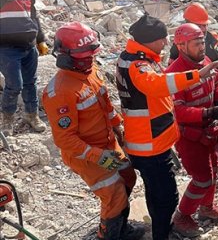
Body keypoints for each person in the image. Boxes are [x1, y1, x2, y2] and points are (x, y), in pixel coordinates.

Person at [116, 15, 218, 240]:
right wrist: (198, 80)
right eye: (162, 39)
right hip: (149, 143)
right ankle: (165, 232)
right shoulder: (139, 64)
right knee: (164, 197)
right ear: (149, 40)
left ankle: (168, 228)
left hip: (158, 138)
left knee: (168, 192)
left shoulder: (142, 58)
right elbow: (159, 86)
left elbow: (216, 87)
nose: (166, 44)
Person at [42, 22, 145, 240]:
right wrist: (98, 156)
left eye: (92, 54)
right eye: (83, 56)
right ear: (65, 56)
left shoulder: (90, 72)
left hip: (108, 144)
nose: (90, 59)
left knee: (128, 177)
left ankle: (120, 227)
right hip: (88, 155)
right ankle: (107, 235)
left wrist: (120, 130)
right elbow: (65, 139)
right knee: (114, 194)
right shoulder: (60, 92)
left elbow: (105, 106)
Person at [166, 24, 218, 237]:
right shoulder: (174, 74)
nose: (202, 47)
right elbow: (179, 111)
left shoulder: (206, 63)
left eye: (203, 42)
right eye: (197, 43)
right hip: (188, 135)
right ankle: (183, 216)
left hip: (208, 129)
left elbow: (217, 84)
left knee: (212, 171)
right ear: (182, 46)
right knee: (201, 177)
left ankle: (207, 207)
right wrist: (210, 113)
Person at [0, 0, 47, 135]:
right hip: (6, 48)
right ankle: (7, 119)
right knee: (14, 85)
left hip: (28, 46)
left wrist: (41, 39)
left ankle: (31, 114)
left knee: (30, 83)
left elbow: (33, 16)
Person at [168, 2, 218, 85]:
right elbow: (174, 76)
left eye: (205, 25)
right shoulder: (180, 46)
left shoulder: (212, 38)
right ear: (188, 24)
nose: (203, 29)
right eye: (199, 26)